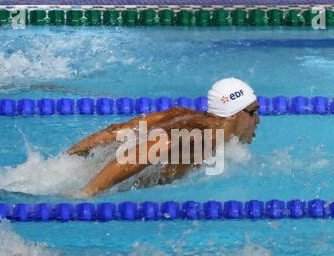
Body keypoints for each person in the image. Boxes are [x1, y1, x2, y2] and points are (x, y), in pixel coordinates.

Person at [67, 78, 261, 197]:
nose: (258, 120)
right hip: (122, 179)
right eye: (253, 112)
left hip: (88, 170)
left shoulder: (181, 114)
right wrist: (88, 192)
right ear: (233, 114)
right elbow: (149, 149)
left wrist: (65, 160)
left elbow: (116, 132)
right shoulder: (209, 136)